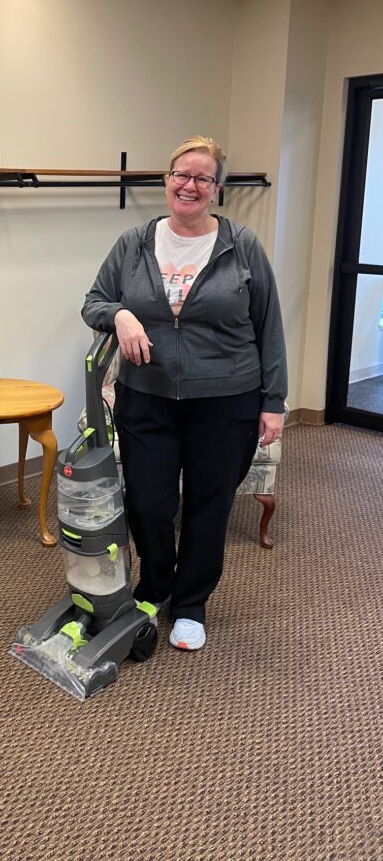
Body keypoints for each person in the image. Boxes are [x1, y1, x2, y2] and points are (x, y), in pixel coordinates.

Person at [82, 135, 287, 651]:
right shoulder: (134, 243)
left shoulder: (241, 246)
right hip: (145, 396)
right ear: (166, 180)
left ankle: (191, 604)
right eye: (181, 174)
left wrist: (273, 401)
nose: (188, 185)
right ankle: (155, 586)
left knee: (208, 504)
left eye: (202, 178)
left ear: (216, 189)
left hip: (227, 399)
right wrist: (120, 314)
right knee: (148, 503)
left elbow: (269, 326)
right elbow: (93, 302)